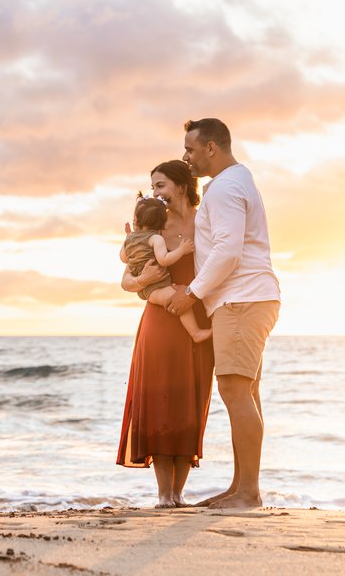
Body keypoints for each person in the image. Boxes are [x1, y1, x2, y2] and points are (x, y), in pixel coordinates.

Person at [165, 118, 281, 509]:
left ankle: (248, 493)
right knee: (243, 390)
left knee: (234, 389)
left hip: (242, 299)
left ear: (211, 147)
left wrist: (192, 294)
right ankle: (240, 487)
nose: (187, 157)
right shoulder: (234, 182)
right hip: (247, 297)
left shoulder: (226, 187)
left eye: (191, 149)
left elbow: (228, 251)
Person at [117, 159, 215, 508]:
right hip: (159, 320)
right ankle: (164, 495)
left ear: (181, 186)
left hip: (196, 317)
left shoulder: (207, 221)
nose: (156, 193)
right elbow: (127, 280)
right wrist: (142, 280)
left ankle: (179, 494)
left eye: (160, 185)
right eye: (153, 187)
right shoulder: (153, 228)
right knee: (161, 404)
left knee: (190, 404)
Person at [122, 194, 212, 344]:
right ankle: (196, 333)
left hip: (147, 291)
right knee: (178, 298)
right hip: (156, 287)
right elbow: (164, 260)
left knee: (176, 298)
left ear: (136, 220)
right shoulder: (156, 238)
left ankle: (196, 333)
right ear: (161, 222)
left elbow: (124, 258)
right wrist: (182, 250)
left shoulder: (130, 239)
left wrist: (129, 239)